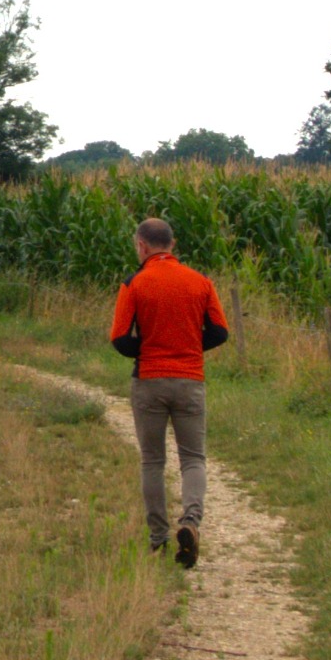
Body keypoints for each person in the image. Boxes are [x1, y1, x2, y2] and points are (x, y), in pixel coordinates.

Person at [109, 218, 229, 568]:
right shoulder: (200, 281)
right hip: (190, 379)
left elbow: (120, 338)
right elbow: (220, 331)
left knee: (153, 461)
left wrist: (148, 350)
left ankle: (158, 538)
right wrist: (188, 346)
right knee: (193, 458)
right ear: (172, 245)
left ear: (142, 246)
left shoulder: (134, 282)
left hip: (149, 380)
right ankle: (190, 521)